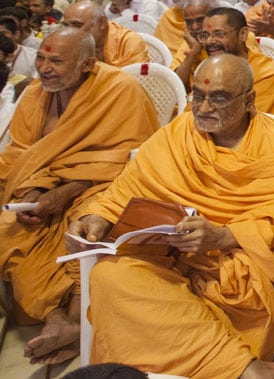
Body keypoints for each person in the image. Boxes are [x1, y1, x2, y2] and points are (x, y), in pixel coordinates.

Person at [71, 55, 274, 379]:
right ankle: (243, 368)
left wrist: (225, 235)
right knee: (108, 277)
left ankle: (225, 364)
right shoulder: (177, 134)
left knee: (239, 288)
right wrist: (97, 216)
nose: (204, 107)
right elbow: (127, 188)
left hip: (229, 264)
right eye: (198, 95)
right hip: (164, 258)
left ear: (249, 100)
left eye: (219, 98)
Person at [0, 28, 158, 366]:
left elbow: (132, 157)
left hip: (101, 185)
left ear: (87, 64)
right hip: (44, 189)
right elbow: (23, 154)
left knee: (84, 226)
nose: (44, 68)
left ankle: (73, 318)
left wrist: (66, 192)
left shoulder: (120, 88)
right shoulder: (33, 93)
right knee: (9, 232)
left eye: (56, 61)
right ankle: (55, 316)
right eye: (41, 58)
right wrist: (35, 189)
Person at [197, 7, 274, 130]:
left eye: (219, 34)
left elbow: (258, 130)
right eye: (205, 36)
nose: (210, 41)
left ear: (243, 34)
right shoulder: (208, 69)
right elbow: (192, 116)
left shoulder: (268, 76)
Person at [61, 1, 149, 67]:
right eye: (66, 25)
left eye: (77, 25)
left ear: (101, 23)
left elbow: (134, 80)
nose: (70, 32)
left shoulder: (128, 41)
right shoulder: (68, 44)